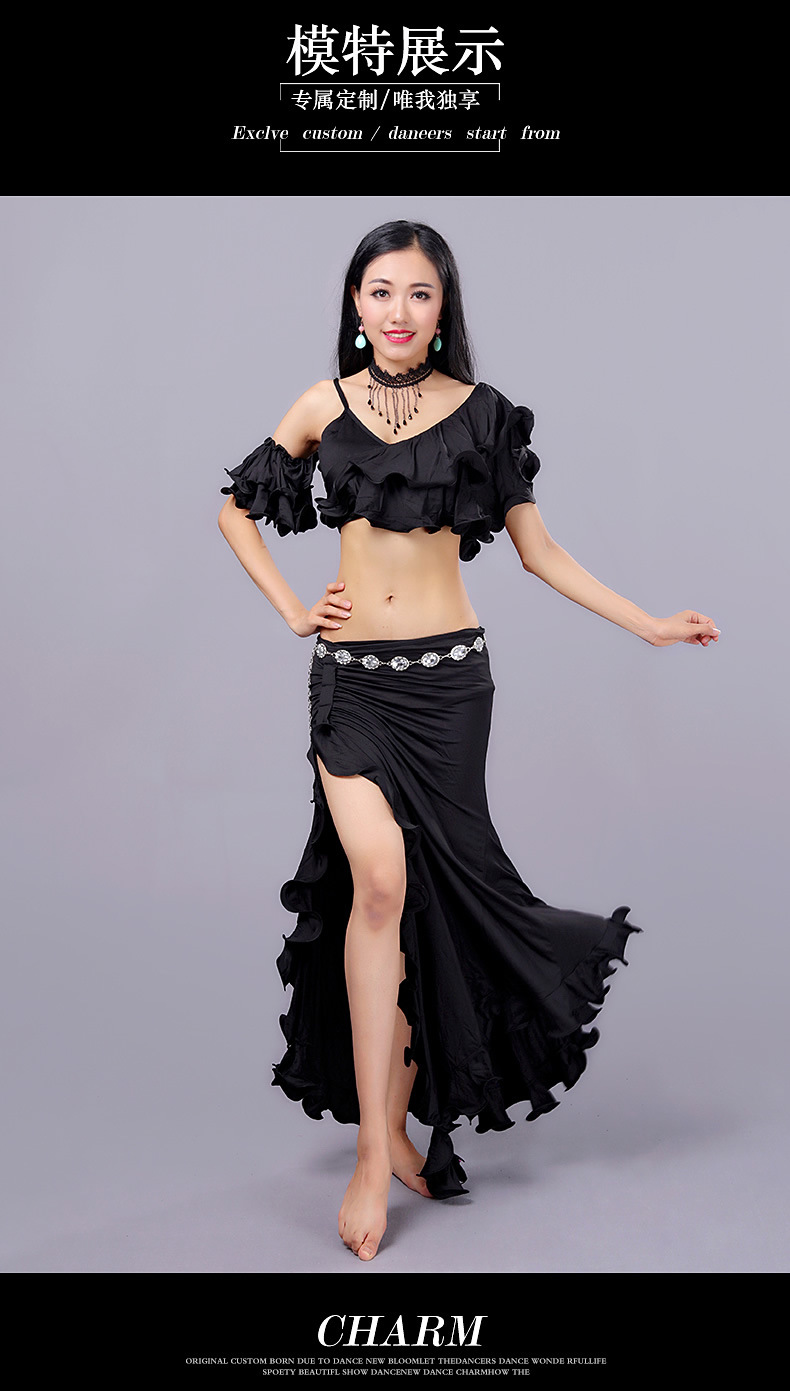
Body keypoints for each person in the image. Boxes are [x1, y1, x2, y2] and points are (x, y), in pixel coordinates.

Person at [217, 219, 720, 1264]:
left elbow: (538, 552)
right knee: (378, 880)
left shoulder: (485, 413)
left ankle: (398, 1123)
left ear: (443, 309)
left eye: (419, 293)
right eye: (379, 291)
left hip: (450, 687)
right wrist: (292, 610)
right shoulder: (322, 405)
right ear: (355, 305)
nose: (397, 311)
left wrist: (647, 623)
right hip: (352, 687)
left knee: (430, 897)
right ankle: (373, 1150)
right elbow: (236, 512)